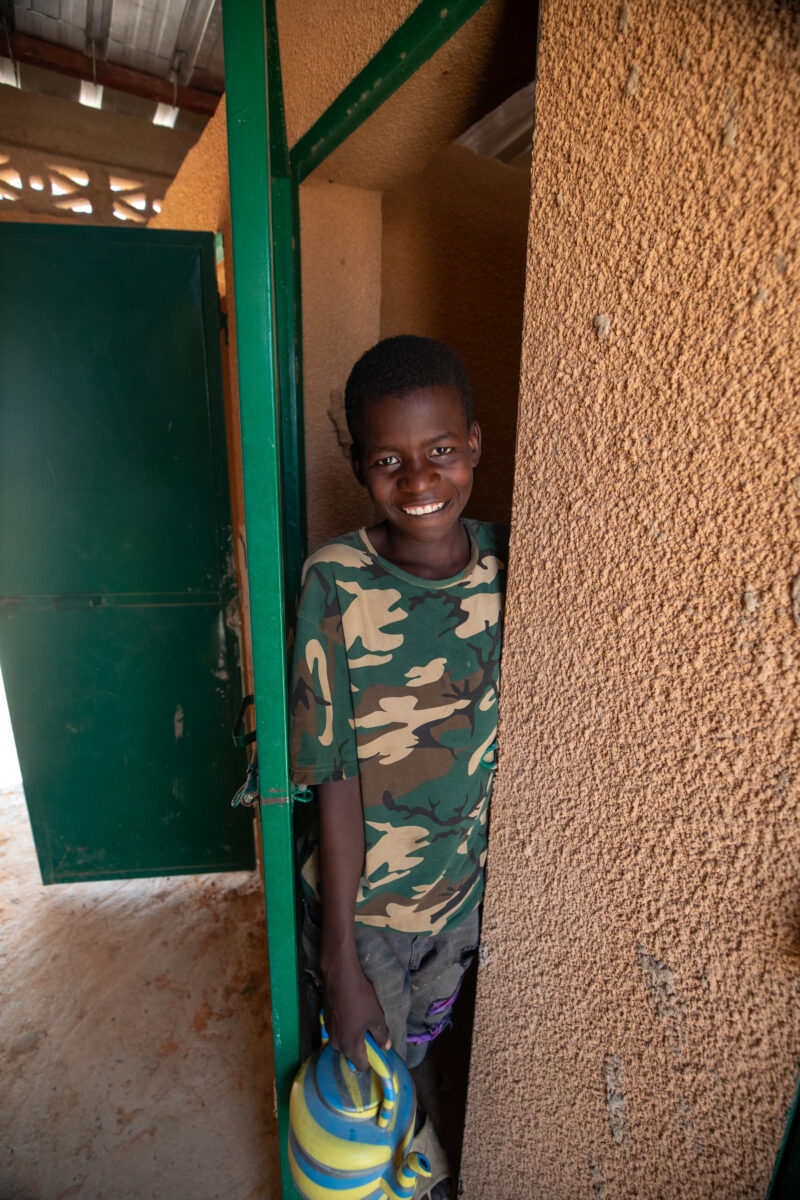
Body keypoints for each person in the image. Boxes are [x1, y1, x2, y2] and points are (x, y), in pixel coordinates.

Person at [289, 335, 507, 1197]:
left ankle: (414, 1152)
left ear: (474, 444)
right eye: (389, 460)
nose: (419, 480)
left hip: (459, 901)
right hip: (366, 908)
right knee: (363, 1063)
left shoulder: (508, 565)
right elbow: (333, 773)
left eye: (441, 450)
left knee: (416, 1046)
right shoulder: (335, 582)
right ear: (359, 466)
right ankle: (403, 1170)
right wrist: (339, 957)